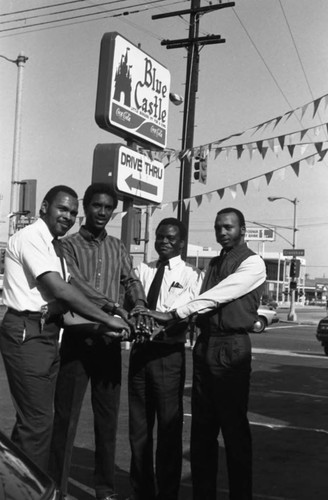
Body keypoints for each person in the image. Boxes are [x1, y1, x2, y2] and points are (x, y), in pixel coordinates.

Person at [139, 208, 266, 500]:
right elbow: (201, 301)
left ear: (242, 230)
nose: (222, 232)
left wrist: (173, 313)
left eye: (229, 227)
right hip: (206, 346)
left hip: (231, 348)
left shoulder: (253, 262)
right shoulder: (214, 262)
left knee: (234, 432)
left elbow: (218, 295)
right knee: (202, 433)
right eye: (218, 227)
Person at [0, 185, 128, 474]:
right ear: (44, 207)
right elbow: (60, 289)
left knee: (33, 422)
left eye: (72, 211)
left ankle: (17, 486)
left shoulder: (54, 245)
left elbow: (65, 310)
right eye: (62, 208)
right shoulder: (32, 237)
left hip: (46, 332)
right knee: (38, 423)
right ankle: (32, 491)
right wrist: (108, 319)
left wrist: (102, 329)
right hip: (26, 330)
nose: (68, 216)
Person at [48, 183, 148, 500]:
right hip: (77, 341)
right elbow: (74, 283)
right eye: (96, 206)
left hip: (108, 345)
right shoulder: (67, 246)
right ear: (86, 206)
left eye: (108, 207)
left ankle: (105, 489)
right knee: (65, 420)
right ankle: (57, 488)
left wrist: (140, 305)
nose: (102, 212)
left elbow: (131, 281)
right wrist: (113, 308)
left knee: (107, 424)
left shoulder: (118, 247)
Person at [127, 217, 203, 500]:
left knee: (169, 431)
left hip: (168, 356)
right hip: (140, 355)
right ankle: (141, 491)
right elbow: (130, 302)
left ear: (181, 242)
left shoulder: (192, 275)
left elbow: (186, 311)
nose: (164, 242)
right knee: (139, 429)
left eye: (170, 238)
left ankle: (168, 493)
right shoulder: (141, 270)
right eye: (160, 236)